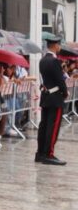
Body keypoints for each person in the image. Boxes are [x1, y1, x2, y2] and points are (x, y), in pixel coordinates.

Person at [36, 35, 67, 165]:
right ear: (55, 46)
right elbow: (60, 80)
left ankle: (40, 153)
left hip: (46, 96)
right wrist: (65, 92)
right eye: (59, 45)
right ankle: (49, 154)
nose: (59, 47)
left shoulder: (42, 60)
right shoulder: (54, 61)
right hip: (55, 97)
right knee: (53, 127)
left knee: (44, 125)